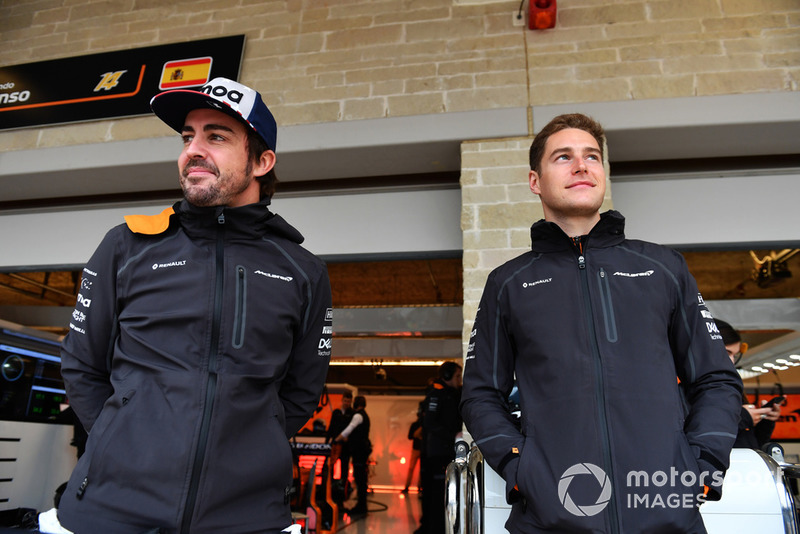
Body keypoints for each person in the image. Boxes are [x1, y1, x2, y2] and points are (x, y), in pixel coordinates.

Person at [57, 77, 333, 534]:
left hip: (247, 517)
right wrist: (122, 444)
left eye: (217, 136)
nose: (193, 150)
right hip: (108, 512)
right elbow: (81, 365)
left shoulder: (302, 269)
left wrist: (247, 449)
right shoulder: (126, 246)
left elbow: (301, 391)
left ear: (262, 161)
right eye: (188, 136)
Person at [459, 113, 742, 533]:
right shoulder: (509, 283)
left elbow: (717, 378)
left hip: (666, 510)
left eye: (592, 156)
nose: (581, 165)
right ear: (535, 181)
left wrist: (701, 463)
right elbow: (480, 393)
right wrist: (522, 469)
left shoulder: (662, 267)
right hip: (551, 517)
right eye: (563, 157)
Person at [715, 318, 782, 449]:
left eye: (735, 355)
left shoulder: (731, 385)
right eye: (727, 353)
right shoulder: (687, 388)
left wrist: (765, 421)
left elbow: (752, 443)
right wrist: (743, 418)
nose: (732, 361)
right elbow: (703, 435)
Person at [415, 361, 463, 534]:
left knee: (443, 494)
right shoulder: (436, 395)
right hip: (436, 455)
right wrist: (453, 436)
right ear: (447, 376)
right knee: (435, 495)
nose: (459, 379)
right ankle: (432, 528)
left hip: (447, 452)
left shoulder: (455, 394)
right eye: (457, 376)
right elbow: (429, 423)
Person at [333, 395, 371, 516]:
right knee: (360, 479)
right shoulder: (364, 415)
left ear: (356, 403)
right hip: (362, 451)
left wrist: (337, 439)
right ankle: (361, 506)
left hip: (359, 452)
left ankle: (361, 507)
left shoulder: (358, 415)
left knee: (360, 479)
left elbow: (349, 429)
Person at [327, 391, 354, 506]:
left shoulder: (352, 414)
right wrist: (327, 442)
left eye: (348, 401)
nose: (346, 403)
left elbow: (352, 430)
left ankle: (342, 491)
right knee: (331, 466)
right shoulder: (336, 413)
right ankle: (331, 488)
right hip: (335, 444)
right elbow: (331, 427)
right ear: (342, 400)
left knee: (344, 468)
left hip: (346, 446)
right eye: (345, 401)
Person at [401, 402, 424, 494]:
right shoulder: (417, 425)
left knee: (416, 469)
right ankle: (412, 486)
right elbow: (410, 436)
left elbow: (411, 436)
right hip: (418, 448)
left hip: (419, 448)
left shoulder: (417, 425)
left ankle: (414, 486)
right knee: (413, 468)